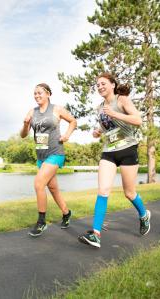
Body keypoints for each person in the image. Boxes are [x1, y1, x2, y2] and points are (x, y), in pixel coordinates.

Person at [78, 73, 151, 248]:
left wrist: (115, 114)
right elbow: (108, 128)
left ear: (112, 84)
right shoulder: (99, 108)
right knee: (103, 190)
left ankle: (144, 215)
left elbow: (138, 120)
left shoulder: (122, 100)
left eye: (103, 83)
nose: (100, 87)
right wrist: (98, 132)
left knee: (129, 192)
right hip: (109, 151)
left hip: (127, 150)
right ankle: (96, 234)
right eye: (97, 85)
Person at [20, 83, 77, 237]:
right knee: (53, 189)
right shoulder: (32, 112)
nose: (37, 95)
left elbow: (73, 121)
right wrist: (26, 124)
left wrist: (67, 135)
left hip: (55, 153)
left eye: (40, 93)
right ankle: (66, 213)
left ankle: (41, 222)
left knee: (39, 184)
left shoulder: (56, 109)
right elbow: (23, 135)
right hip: (41, 156)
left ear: (48, 94)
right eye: (35, 93)